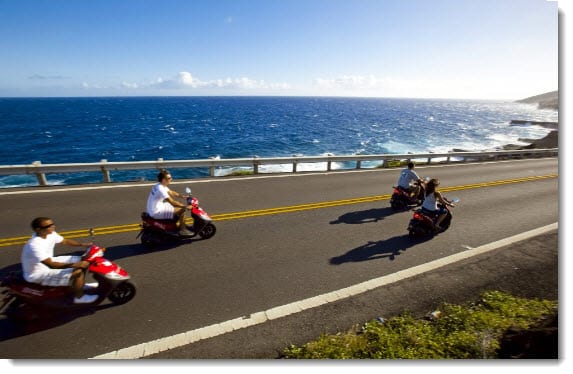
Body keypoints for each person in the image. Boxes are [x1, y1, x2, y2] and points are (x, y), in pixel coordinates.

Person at [21, 217, 98, 304]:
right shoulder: (34, 244)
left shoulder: (50, 234)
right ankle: (79, 298)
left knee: (83, 259)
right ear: (38, 229)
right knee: (78, 272)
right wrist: (75, 265)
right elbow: (51, 265)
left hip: (49, 261)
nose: (53, 226)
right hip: (38, 273)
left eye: (52, 224)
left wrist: (83, 245)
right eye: (49, 226)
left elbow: (64, 241)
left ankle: (79, 286)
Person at [146, 169, 193, 236]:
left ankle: (177, 224)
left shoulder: (159, 185)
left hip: (155, 207)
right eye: (169, 178)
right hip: (156, 211)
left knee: (179, 204)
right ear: (164, 180)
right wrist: (185, 207)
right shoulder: (161, 189)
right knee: (182, 210)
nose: (171, 179)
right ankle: (183, 230)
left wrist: (182, 196)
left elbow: (171, 192)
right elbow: (172, 202)